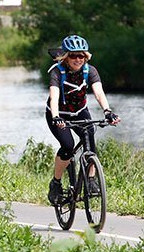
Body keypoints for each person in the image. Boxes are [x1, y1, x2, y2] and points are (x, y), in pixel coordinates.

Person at [46, 34, 120, 204]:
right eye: (73, 55)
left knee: (89, 141)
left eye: (81, 55)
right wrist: (56, 116)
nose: (77, 59)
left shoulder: (90, 71)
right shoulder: (57, 72)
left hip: (80, 111)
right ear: (66, 57)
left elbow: (99, 92)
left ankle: (92, 180)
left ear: (85, 57)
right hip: (58, 114)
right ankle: (56, 183)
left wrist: (108, 111)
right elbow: (54, 97)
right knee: (67, 146)